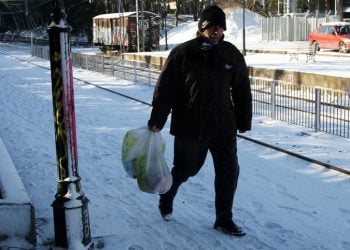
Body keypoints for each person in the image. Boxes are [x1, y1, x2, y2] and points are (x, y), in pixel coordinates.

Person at [147, 5, 252, 237]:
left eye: (220, 27)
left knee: (229, 173)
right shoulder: (183, 53)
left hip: (223, 125)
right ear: (202, 27)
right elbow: (166, 90)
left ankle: (224, 219)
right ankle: (167, 195)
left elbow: (242, 89)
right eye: (212, 26)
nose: (217, 31)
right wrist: (157, 119)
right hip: (191, 125)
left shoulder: (231, 54)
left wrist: (243, 120)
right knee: (185, 170)